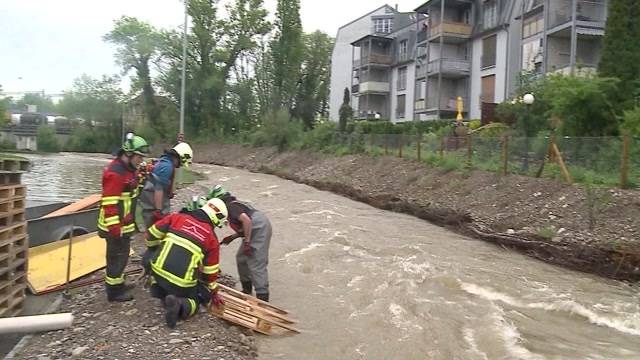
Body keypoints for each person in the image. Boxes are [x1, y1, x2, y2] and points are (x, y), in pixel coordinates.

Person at [144, 198, 227, 328]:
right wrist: (213, 291)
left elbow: (151, 234)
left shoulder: (177, 217)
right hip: (181, 283)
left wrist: (152, 250)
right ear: (217, 218)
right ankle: (181, 305)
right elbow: (210, 273)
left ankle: (157, 287)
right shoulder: (211, 238)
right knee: (200, 297)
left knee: (158, 261)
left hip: (158, 272)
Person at [98, 133, 150, 302]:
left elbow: (130, 192)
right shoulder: (116, 173)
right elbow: (110, 203)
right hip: (115, 226)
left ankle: (118, 284)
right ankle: (113, 292)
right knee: (116, 257)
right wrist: (115, 228)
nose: (140, 160)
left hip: (124, 224)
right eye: (139, 157)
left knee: (122, 255)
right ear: (128, 154)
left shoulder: (128, 170)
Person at [218, 190, 272, 302]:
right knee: (241, 258)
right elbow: (245, 224)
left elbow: (247, 221)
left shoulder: (230, 207)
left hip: (259, 227)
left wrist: (247, 243)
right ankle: (247, 290)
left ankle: (263, 299)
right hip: (255, 227)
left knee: (256, 263)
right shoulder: (235, 205)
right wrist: (232, 237)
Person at [138, 142, 193, 230]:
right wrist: (159, 210)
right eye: (182, 163)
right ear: (181, 157)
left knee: (153, 226)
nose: (180, 165)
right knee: (157, 228)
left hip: (151, 198)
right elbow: (158, 188)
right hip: (154, 201)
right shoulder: (167, 167)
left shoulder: (165, 161)